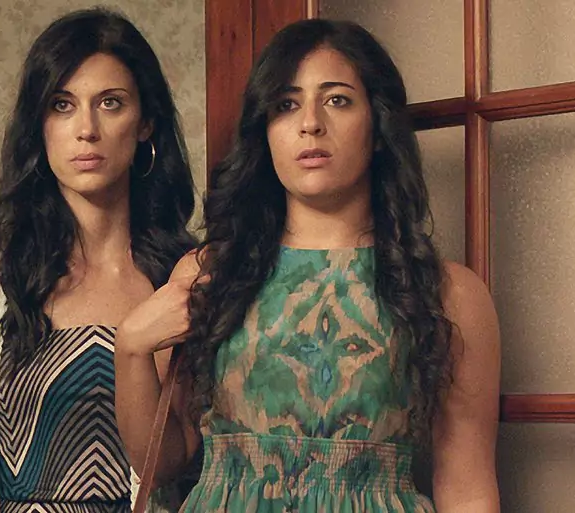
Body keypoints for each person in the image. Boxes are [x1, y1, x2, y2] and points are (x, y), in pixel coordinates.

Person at [115, 19, 502, 512]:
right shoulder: (209, 274)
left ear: (378, 127)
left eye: (337, 100)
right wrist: (130, 348)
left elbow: (467, 486)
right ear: (265, 131)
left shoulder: (448, 293)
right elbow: (164, 460)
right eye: (286, 104)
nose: (310, 123)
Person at [0, 7, 197, 512]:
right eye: (62, 105)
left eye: (110, 103)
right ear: (38, 125)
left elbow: (176, 463)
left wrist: (136, 344)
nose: (86, 129)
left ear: (146, 123)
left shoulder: (182, 277)